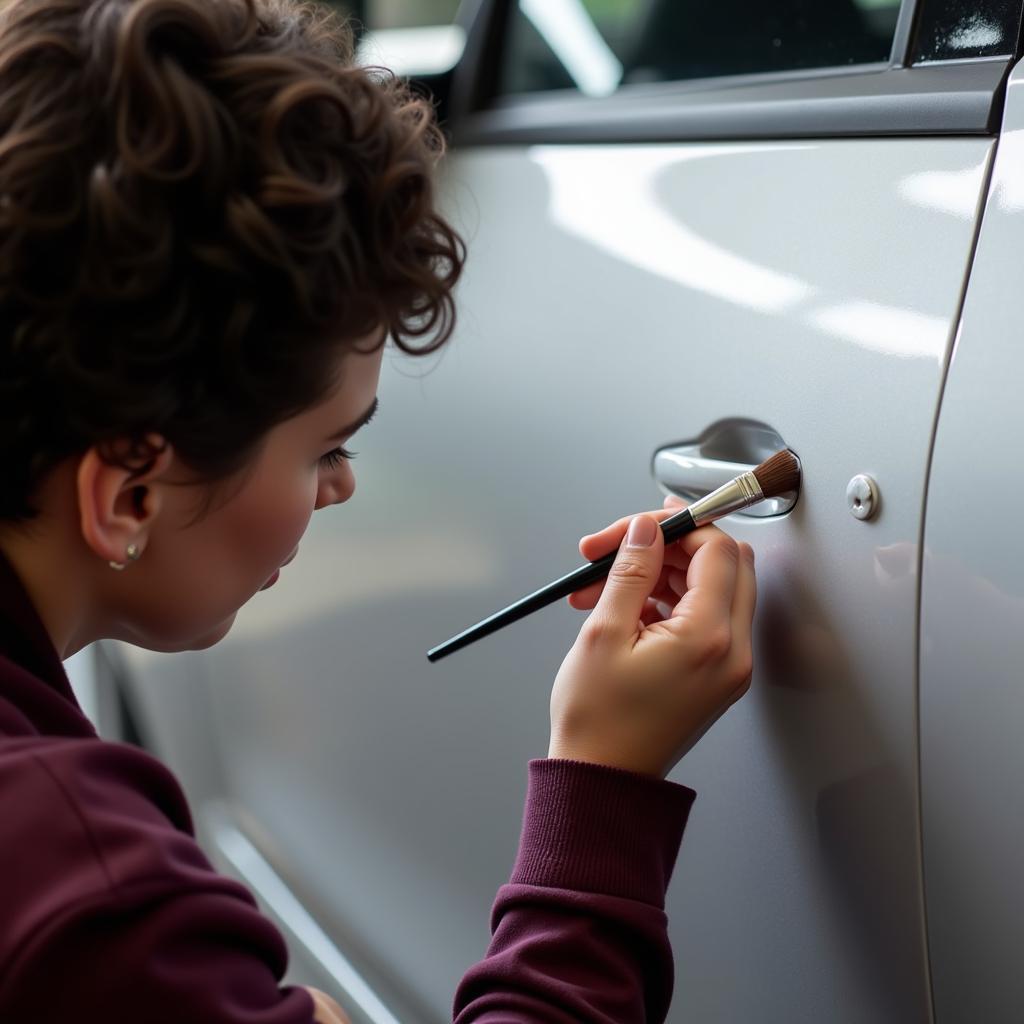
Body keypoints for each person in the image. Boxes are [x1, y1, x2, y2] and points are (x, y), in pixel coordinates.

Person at [0, 0, 757, 1021]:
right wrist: (604, 788)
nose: (342, 484)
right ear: (130, 490)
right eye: (328, 446)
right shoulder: (80, 885)